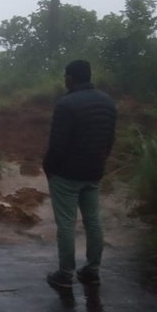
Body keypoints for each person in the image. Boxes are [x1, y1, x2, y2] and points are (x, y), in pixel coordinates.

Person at [44, 60, 117, 288]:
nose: (65, 80)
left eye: (66, 76)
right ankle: (92, 270)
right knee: (93, 221)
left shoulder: (66, 104)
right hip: (94, 171)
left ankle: (65, 274)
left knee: (66, 224)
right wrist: (100, 162)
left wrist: (49, 168)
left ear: (71, 78)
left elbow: (57, 144)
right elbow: (110, 139)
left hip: (67, 173)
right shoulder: (107, 102)